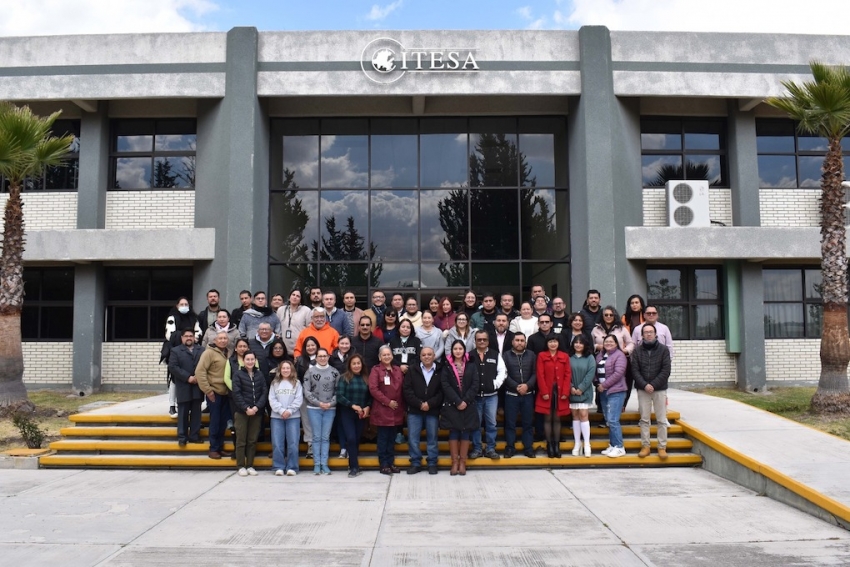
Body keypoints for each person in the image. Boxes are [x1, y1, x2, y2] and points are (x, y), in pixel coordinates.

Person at [632, 323, 672, 460]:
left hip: (659, 389)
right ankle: (646, 446)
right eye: (646, 332)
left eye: (651, 332)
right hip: (643, 390)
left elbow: (666, 370)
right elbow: (634, 370)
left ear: (655, 334)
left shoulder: (663, 350)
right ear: (642, 335)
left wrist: (653, 384)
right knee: (644, 420)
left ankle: (662, 447)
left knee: (661, 420)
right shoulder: (637, 351)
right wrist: (644, 385)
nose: (648, 334)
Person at [440, 339, 479, 476]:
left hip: (468, 404)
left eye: (460, 349)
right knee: (454, 432)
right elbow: (445, 385)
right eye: (455, 349)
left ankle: (463, 462)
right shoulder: (447, 365)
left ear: (464, 350)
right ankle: (454, 462)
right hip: (452, 404)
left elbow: (475, 384)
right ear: (452, 351)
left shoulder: (471, 365)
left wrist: (465, 400)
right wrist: (457, 401)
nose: (458, 351)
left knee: (465, 432)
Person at [403, 347, 443, 474]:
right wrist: (420, 404)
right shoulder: (412, 370)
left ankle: (432, 463)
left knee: (432, 438)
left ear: (434, 356)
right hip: (415, 410)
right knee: (413, 438)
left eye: (429, 354)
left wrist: (429, 404)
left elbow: (442, 391)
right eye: (424, 355)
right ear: (420, 357)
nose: (426, 357)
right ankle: (415, 463)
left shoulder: (441, 369)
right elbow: (407, 390)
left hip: (432, 410)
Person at [468, 330, 506, 460]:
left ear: (488, 341)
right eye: (479, 339)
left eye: (484, 339)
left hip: (491, 396)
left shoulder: (495, 355)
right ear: (475, 341)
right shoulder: (469, 356)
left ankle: (490, 448)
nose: (482, 342)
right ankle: (477, 449)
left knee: (491, 423)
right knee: (476, 424)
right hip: (475, 397)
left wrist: (496, 384)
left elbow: (502, 371)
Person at [369, 345, 405, 475]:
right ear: (379, 357)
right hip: (383, 410)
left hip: (397, 410)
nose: (386, 356)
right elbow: (373, 389)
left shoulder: (397, 370)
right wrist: (388, 402)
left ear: (392, 355)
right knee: (383, 439)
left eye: (388, 354)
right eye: (384, 355)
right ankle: (383, 464)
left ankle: (391, 462)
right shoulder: (376, 370)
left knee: (392, 439)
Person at [195, 331, 232, 460]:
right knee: (215, 422)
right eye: (220, 338)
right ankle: (213, 449)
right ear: (215, 340)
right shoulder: (208, 353)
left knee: (223, 423)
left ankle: (220, 447)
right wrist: (208, 390)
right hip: (214, 393)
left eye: (225, 338)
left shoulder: (229, 352)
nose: (223, 340)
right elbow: (200, 372)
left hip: (226, 393)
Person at [303, 348, 339, 475]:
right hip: (314, 408)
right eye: (320, 356)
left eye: (325, 356)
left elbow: (338, 391)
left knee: (325, 437)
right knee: (316, 437)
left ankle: (324, 463)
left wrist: (330, 403)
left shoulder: (334, 372)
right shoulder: (310, 372)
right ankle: (317, 464)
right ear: (316, 357)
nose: (322, 358)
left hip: (330, 408)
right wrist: (319, 403)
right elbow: (306, 391)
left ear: (328, 357)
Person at [164, 296, 201, 418]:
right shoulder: (172, 318)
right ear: (177, 306)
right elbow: (170, 334)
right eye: (182, 304)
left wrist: (191, 338)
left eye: (186, 304)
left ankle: (187, 405)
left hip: (191, 350)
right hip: (175, 350)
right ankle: (172, 406)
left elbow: (198, 332)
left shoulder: (193, 318)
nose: (184, 306)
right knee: (175, 379)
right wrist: (186, 337)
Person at [231, 351, 267, 476]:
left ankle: (250, 465)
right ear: (243, 361)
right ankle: (241, 465)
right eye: (248, 359)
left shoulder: (260, 375)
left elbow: (264, 392)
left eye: (252, 359)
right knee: (241, 440)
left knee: (252, 440)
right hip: (242, 412)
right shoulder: (238, 374)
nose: (250, 361)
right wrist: (246, 408)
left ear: (255, 360)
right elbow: (236, 393)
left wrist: (257, 407)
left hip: (257, 412)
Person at [592, 306, 635, 410]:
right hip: (601, 360)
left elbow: (631, 343)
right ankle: (602, 408)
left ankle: (621, 405)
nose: (608, 317)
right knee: (602, 382)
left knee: (619, 381)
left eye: (611, 315)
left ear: (614, 316)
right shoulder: (595, 329)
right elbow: (590, 344)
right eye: (606, 315)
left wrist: (625, 351)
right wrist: (597, 346)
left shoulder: (622, 329)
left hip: (618, 360)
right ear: (602, 316)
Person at [502, 332, 537, 458]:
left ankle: (528, 448)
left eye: (522, 340)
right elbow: (503, 374)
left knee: (528, 423)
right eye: (517, 340)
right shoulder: (505, 355)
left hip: (528, 394)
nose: (519, 343)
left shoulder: (532, 355)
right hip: (511, 394)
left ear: (525, 342)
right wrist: (516, 386)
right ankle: (510, 448)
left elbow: (535, 373)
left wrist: (527, 385)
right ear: (512, 342)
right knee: (510, 423)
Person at [337, 353, 372, 477]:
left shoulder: (366, 378)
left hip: (361, 413)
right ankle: (354, 467)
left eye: (358, 363)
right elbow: (339, 396)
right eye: (354, 363)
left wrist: (367, 407)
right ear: (350, 365)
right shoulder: (344, 378)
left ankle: (353, 464)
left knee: (356, 439)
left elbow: (370, 396)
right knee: (351, 438)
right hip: (348, 412)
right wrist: (352, 405)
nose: (356, 366)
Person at [168, 328, 204, 446]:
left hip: (198, 386)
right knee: (183, 413)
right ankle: (182, 437)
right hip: (183, 385)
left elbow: (205, 365)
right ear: (182, 338)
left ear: (194, 338)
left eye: (191, 336)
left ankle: (194, 435)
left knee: (196, 413)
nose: (189, 338)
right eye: (186, 336)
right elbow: (173, 367)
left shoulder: (202, 350)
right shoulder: (175, 351)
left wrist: (198, 377)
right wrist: (188, 377)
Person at [536, 336, 571, 458]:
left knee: (557, 419)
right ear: (547, 343)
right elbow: (540, 374)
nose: (553, 344)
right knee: (547, 419)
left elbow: (568, 374)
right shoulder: (541, 355)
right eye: (550, 341)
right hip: (546, 391)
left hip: (560, 391)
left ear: (558, 343)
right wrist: (544, 391)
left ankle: (556, 445)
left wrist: (566, 392)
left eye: (555, 341)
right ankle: (549, 445)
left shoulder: (564, 356)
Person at [596, 334, 628, 458]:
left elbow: (618, 373)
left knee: (613, 419)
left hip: (616, 391)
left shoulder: (619, 355)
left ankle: (620, 447)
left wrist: (604, 385)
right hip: (603, 391)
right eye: (606, 341)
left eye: (611, 342)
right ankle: (613, 445)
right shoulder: (600, 355)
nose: (608, 343)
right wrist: (597, 383)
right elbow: (596, 370)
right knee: (609, 419)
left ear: (616, 343)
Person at [269, 360, 302, 476]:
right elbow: (272, 399)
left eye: (288, 368)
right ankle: (278, 466)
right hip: (277, 417)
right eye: (283, 368)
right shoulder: (275, 383)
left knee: (293, 442)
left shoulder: (297, 383)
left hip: (293, 416)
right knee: (277, 442)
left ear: (291, 369)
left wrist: (289, 410)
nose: (286, 370)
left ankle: (292, 467)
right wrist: (281, 410)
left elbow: (299, 399)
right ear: (280, 370)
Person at [569, 335, 596, 457]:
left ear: (585, 345)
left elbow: (590, 374)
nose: (578, 345)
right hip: (571, 391)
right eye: (576, 342)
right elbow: (565, 373)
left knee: (584, 415)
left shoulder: (590, 358)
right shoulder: (569, 358)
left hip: (585, 391)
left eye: (581, 343)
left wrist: (581, 388)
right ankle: (577, 443)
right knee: (575, 415)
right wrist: (571, 387)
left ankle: (587, 443)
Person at [295, 336, 320, 459]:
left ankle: (320, 444)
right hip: (304, 396)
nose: (310, 347)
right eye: (308, 345)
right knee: (306, 421)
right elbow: (296, 378)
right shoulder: (299, 360)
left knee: (319, 421)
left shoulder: (323, 358)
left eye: (313, 345)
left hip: (321, 397)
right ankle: (310, 445)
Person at [278, 289, 312, 355]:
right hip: (283, 349)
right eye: (293, 295)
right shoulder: (281, 310)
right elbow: (277, 327)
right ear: (289, 297)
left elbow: (309, 328)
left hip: (300, 349)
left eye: (298, 296)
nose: (295, 297)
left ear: (300, 299)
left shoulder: (306, 310)